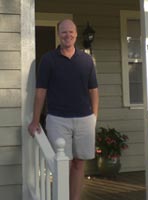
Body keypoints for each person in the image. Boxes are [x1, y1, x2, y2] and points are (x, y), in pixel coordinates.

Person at [28, 19, 99, 200]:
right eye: (64, 32)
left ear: (76, 34)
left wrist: (94, 117)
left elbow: (94, 91)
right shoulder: (48, 60)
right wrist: (35, 120)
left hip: (84, 119)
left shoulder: (87, 60)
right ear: (59, 34)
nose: (68, 35)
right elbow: (40, 92)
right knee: (62, 164)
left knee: (79, 162)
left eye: (71, 32)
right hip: (58, 119)